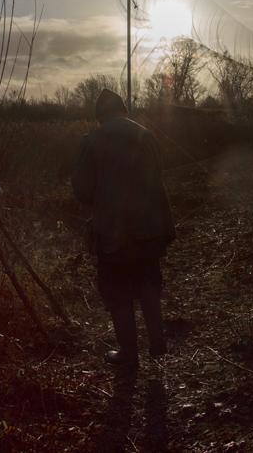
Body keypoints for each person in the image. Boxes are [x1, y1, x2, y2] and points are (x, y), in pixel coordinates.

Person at [72, 89, 175, 366]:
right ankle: (157, 343)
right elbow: (159, 178)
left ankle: (129, 355)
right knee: (148, 282)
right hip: (150, 228)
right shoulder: (147, 135)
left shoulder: (92, 140)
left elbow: (82, 191)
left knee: (117, 291)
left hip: (113, 233)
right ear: (123, 109)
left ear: (99, 115)